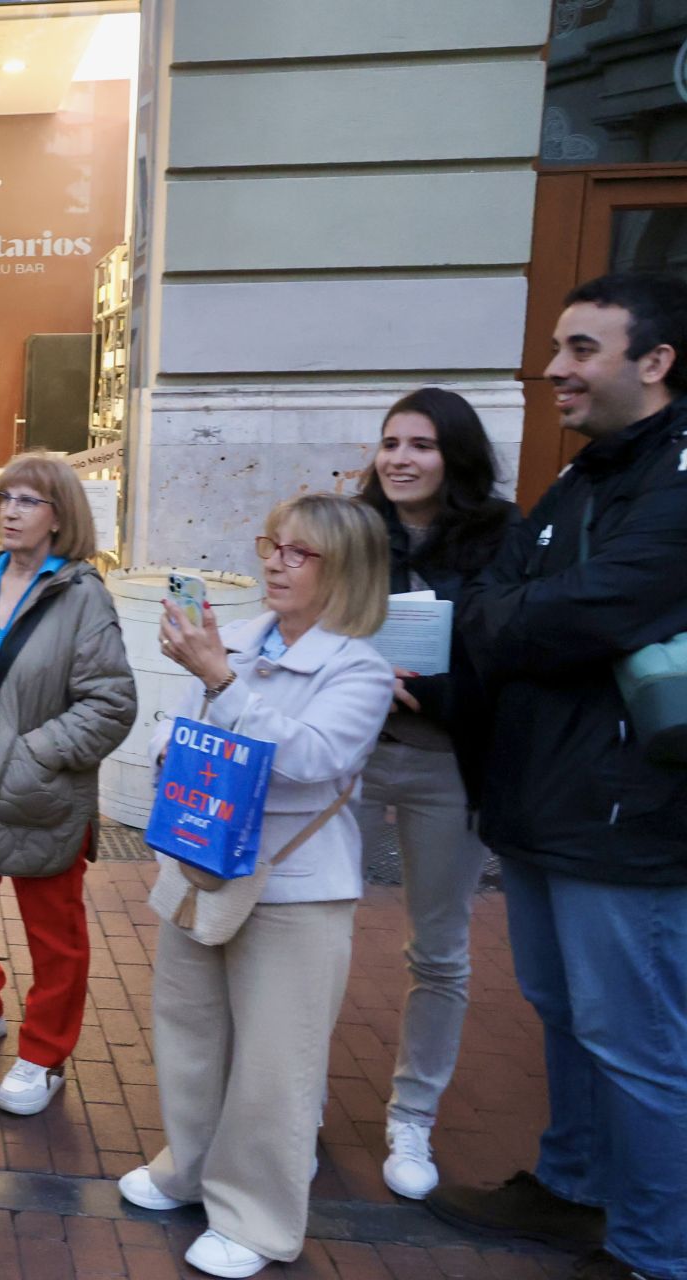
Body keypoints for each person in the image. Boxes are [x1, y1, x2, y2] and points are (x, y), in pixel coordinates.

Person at [432, 273, 687, 1280]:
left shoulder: (674, 481)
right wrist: (520, 617)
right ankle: (572, 1184)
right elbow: (501, 600)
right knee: (565, 1011)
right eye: (556, 347)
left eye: (581, 348)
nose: (554, 369)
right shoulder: (580, 481)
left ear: (653, 361)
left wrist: (518, 618)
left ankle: (655, 1250)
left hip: (629, 817)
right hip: (543, 802)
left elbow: (568, 611)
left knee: (638, 1042)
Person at [120, 492, 393, 1279]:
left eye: (298, 553)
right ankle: (189, 1169)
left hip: (298, 886)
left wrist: (223, 687)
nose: (274, 562)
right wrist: (194, 714)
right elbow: (176, 730)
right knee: (190, 1033)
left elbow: (313, 759)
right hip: (203, 866)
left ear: (345, 570)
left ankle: (259, 1218)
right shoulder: (234, 637)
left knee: (279, 1059)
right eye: (272, 544)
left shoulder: (360, 668)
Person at [0, 452, 136, 1114]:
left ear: (60, 515)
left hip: (39, 790)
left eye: (28, 500)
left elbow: (111, 704)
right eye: (3, 496)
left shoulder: (82, 595)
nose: (9, 510)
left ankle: (44, 1053)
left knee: (54, 931)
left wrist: (35, 754)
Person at [352, 388, 517, 1200]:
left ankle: (413, 1115)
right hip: (350, 752)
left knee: (439, 950)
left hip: (445, 760)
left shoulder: (502, 539)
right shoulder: (352, 530)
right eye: (390, 443)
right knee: (306, 925)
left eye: (420, 444)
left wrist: (442, 691)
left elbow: (512, 655)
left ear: (454, 455)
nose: (400, 459)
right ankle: (293, 1097)